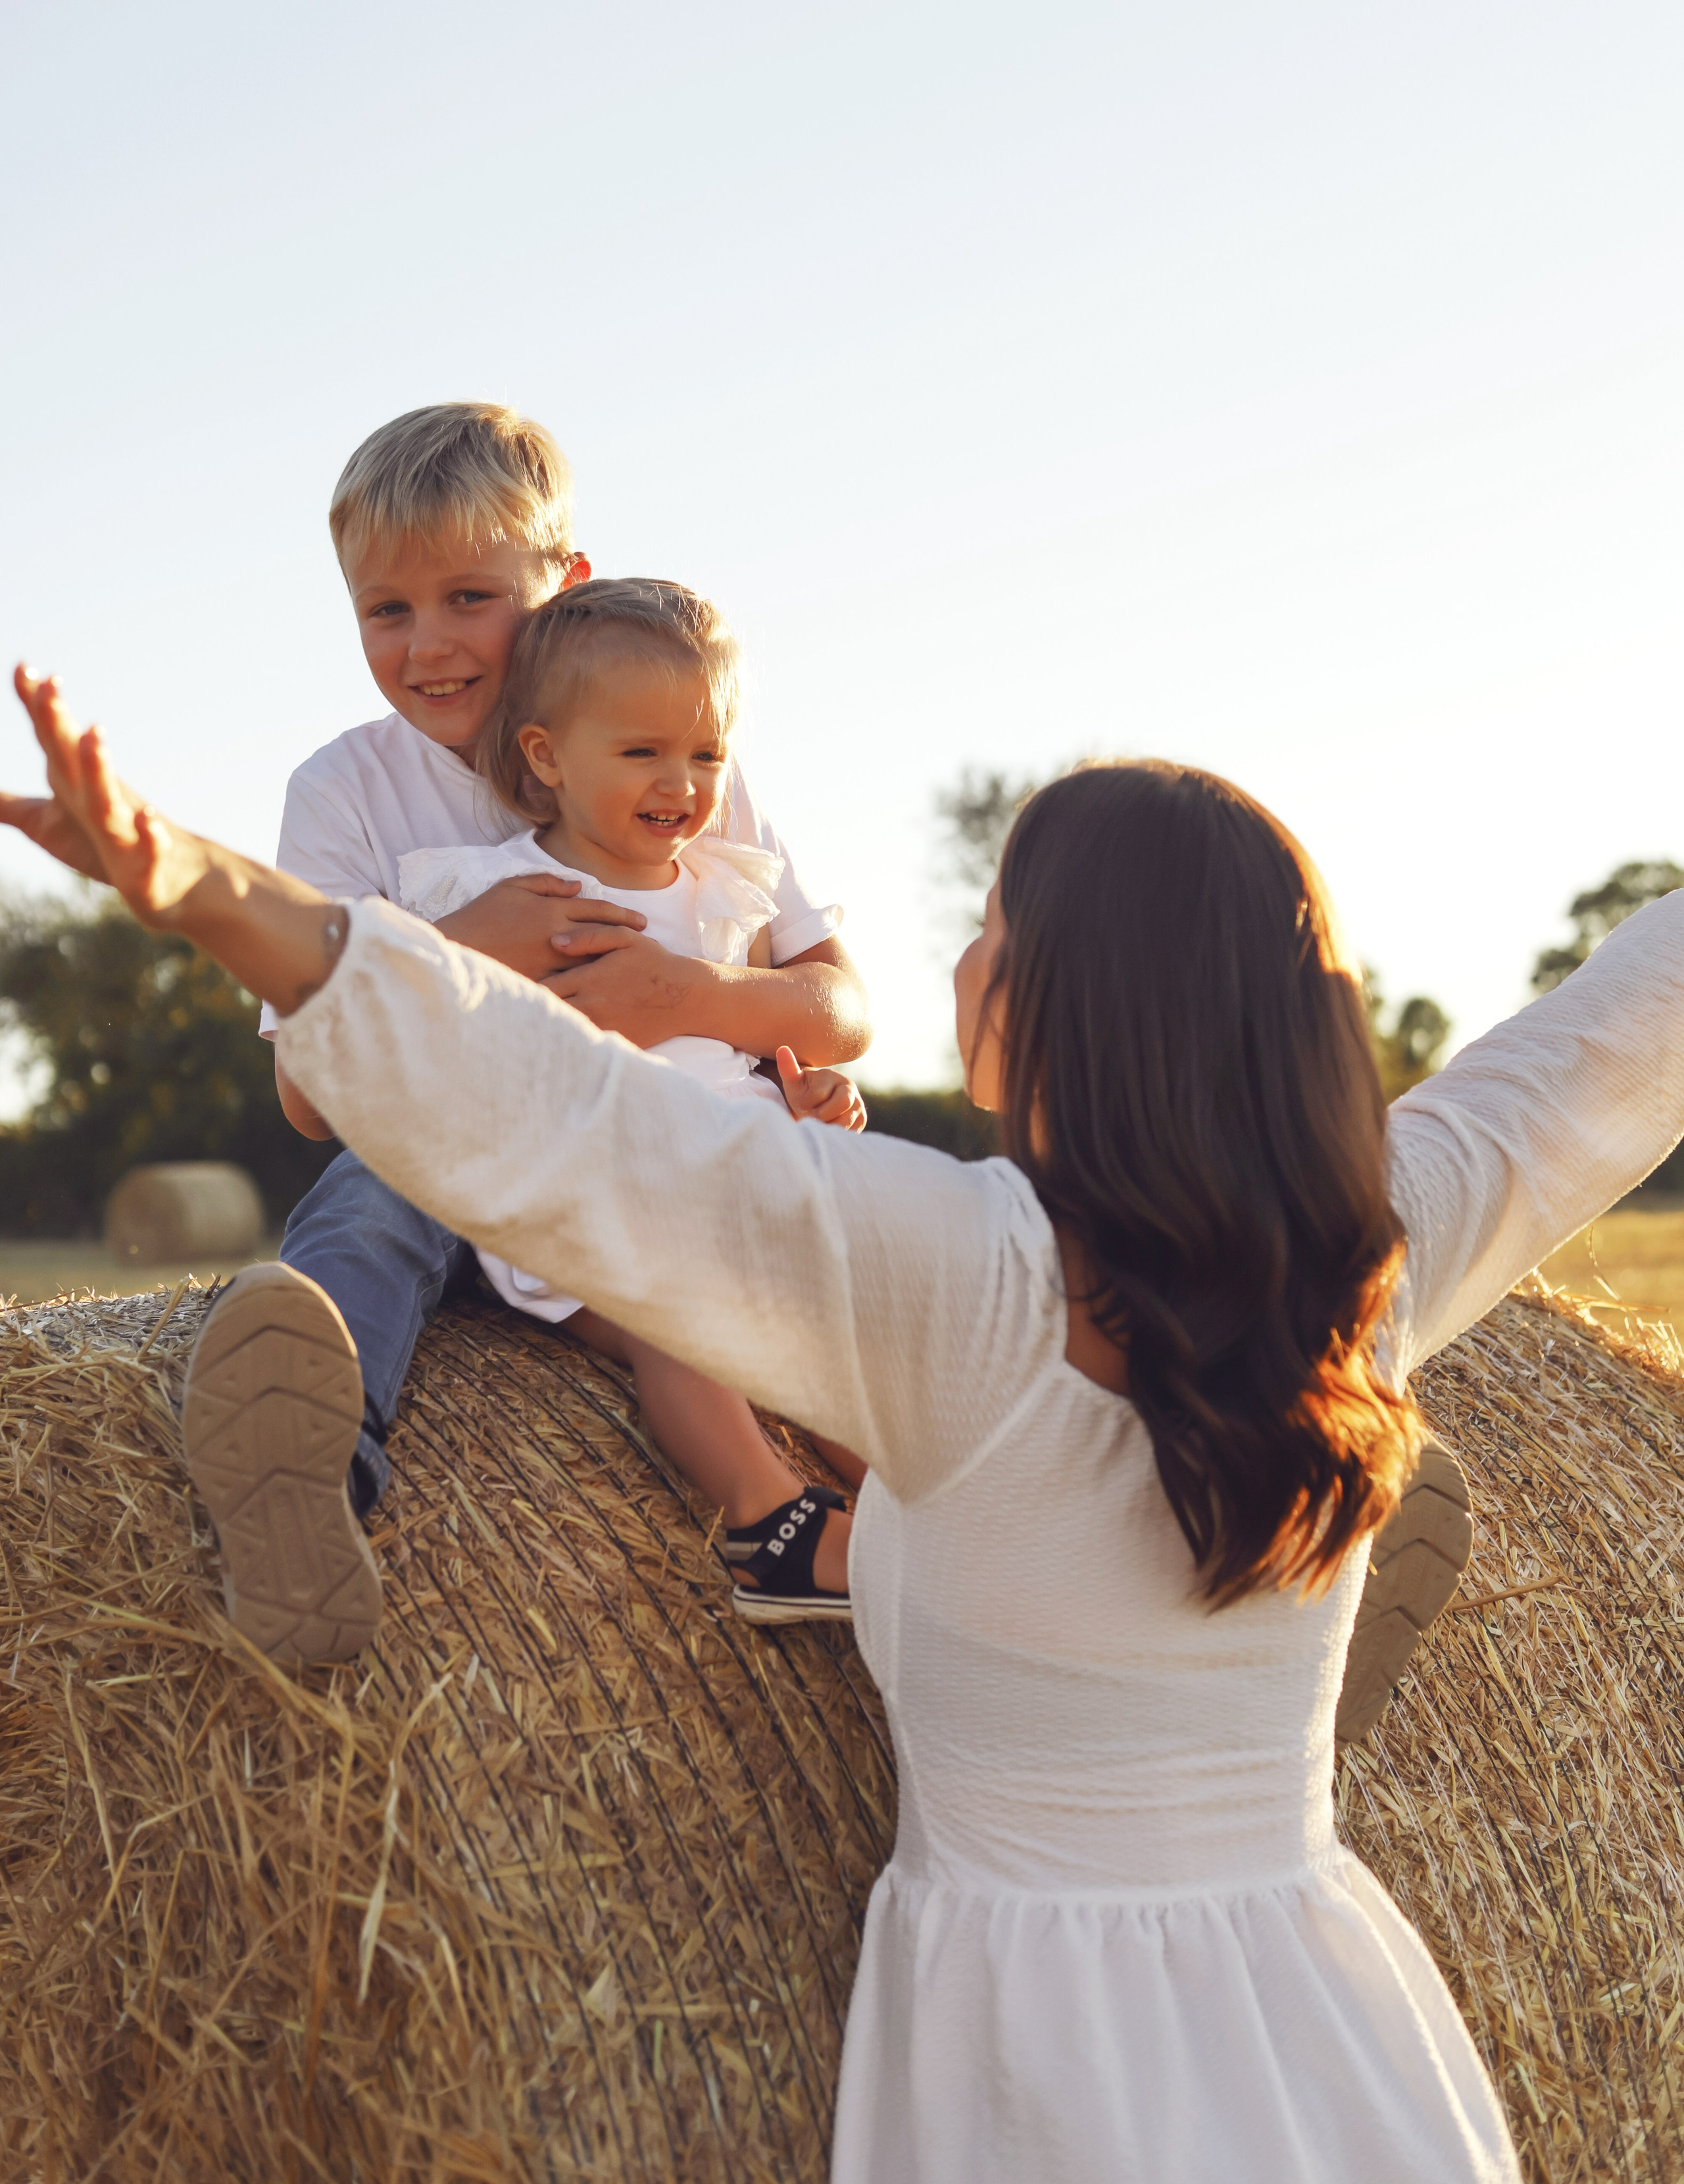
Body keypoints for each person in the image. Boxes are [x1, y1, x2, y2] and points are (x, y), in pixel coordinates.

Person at [28, 673, 1684, 2181]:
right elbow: (1602, 1048)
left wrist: (198, 886)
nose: (958, 959)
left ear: (1049, 998)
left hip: (1032, 2052)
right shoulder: (1364, 1257)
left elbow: (561, 1117)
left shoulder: (957, 1276)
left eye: (986, 923)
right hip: (1331, 2029)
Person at [160, 401, 872, 1662]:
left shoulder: (674, 740)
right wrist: (461, 949)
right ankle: (308, 1485)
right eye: (388, 610)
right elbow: (311, 1103)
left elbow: (839, 1002)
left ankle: (1032, 1530)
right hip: (472, 1168)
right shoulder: (345, 794)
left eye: (471, 598)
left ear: (564, 584)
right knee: (377, 1187)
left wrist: (702, 1006)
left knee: (903, 1274)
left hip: (686, 1156)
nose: (430, 645)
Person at [397, 572, 862, 1622]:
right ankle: (766, 1521)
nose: (684, 782)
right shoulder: (499, 894)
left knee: (839, 1346)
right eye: (644, 751)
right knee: (680, 1304)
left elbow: (757, 1037)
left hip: (736, 1178)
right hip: (586, 1195)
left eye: (707, 753)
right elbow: (409, 1021)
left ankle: (916, 1522)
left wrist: (812, 1097)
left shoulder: (722, 889)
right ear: (548, 757)